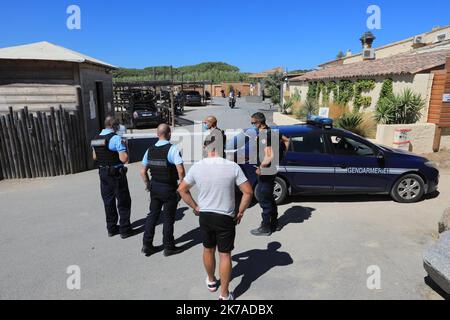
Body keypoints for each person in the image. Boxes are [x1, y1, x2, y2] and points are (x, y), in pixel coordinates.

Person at [178, 137, 253, 300]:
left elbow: (182, 189)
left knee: (208, 249)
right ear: (222, 147)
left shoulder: (197, 167)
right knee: (225, 255)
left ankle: (211, 280)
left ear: (206, 148)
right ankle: (224, 295)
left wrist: (195, 206)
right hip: (225, 216)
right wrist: (240, 212)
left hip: (205, 215)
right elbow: (248, 192)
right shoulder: (232, 167)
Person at [140, 124, 186, 257]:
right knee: (168, 218)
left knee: (152, 215)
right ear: (169, 134)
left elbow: (143, 171)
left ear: (157, 134)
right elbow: (181, 170)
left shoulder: (150, 150)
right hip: (168, 188)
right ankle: (168, 247)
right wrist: (181, 186)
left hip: (154, 187)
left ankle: (147, 245)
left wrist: (148, 184)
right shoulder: (172, 149)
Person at [91, 116, 134, 239]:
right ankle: (125, 229)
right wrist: (124, 148)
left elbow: (95, 157)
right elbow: (124, 159)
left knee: (108, 201)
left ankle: (111, 228)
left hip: (103, 172)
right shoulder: (115, 139)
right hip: (116, 173)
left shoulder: (95, 138)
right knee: (123, 200)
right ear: (114, 126)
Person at [249, 112, 288, 236]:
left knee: (264, 198)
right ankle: (275, 223)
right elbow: (287, 140)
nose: (252, 125)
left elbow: (269, 156)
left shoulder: (264, 136)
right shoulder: (273, 132)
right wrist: (282, 156)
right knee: (270, 196)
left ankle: (265, 227)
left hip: (266, 171)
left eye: (253, 123)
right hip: (273, 170)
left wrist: (261, 167)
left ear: (259, 122)